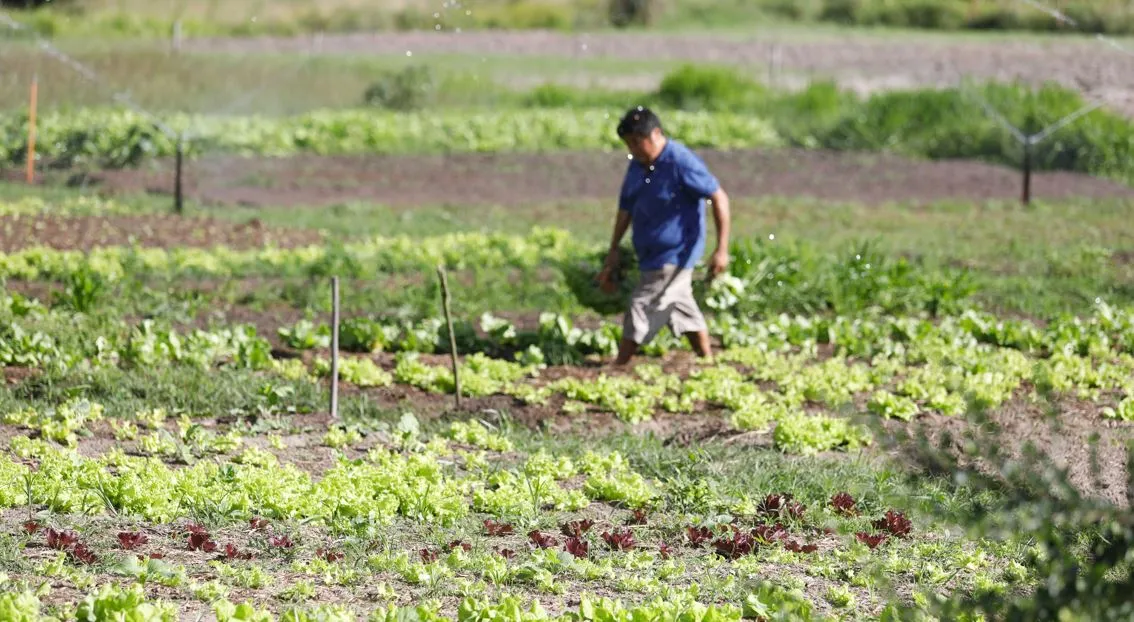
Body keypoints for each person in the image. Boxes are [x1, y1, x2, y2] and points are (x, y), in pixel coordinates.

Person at [598, 106, 731, 366]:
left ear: (656, 134)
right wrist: (613, 249)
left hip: (676, 253)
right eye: (629, 144)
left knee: (641, 303)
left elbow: (718, 196)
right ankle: (708, 362)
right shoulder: (637, 166)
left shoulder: (680, 161)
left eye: (637, 142)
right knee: (682, 308)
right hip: (650, 254)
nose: (633, 149)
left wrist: (721, 248)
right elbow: (626, 208)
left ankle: (620, 365)